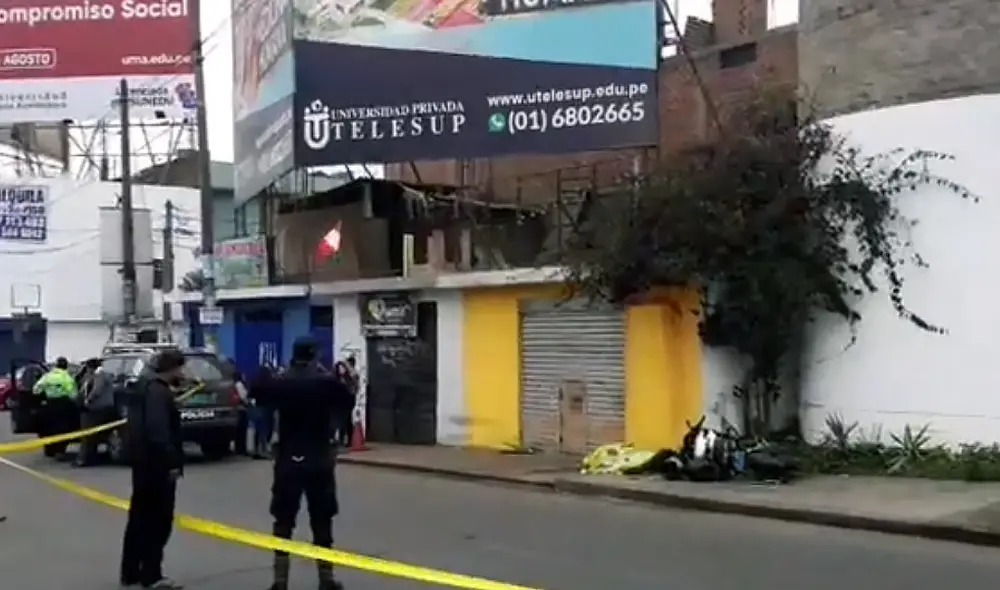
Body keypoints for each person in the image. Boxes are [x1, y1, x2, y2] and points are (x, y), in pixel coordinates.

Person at [252, 337, 354, 590]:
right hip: (319, 458)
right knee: (322, 520)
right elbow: (348, 401)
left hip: (288, 459)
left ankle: (280, 581)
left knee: (283, 520)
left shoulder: (281, 382)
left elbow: (255, 393)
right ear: (314, 355)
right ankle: (326, 579)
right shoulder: (326, 383)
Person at [119, 348, 186, 590]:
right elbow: (158, 432)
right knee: (158, 521)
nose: (183, 373)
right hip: (157, 466)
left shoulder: (142, 387)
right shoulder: (159, 393)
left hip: (141, 463)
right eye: (181, 368)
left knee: (139, 518)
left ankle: (131, 571)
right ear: (173, 368)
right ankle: (152, 574)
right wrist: (172, 462)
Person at [32, 357, 79, 459]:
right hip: (63, 405)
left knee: (49, 428)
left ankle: (49, 449)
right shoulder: (67, 378)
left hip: (50, 405)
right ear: (66, 366)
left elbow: (36, 389)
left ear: (56, 366)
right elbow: (73, 394)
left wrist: (44, 394)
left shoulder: (47, 376)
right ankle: (60, 451)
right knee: (62, 429)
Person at [75, 358, 117, 467]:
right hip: (100, 408)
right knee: (94, 435)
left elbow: (97, 389)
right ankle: (90, 457)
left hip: (97, 408)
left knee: (87, 434)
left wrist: (88, 399)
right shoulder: (94, 375)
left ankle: (84, 459)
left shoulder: (100, 375)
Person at [332, 358, 358, 447]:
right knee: (340, 420)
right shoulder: (339, 377)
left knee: (346, 420)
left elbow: (353, 388)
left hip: (347, 400)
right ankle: (341, 439)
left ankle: (346, 440)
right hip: (341, 401)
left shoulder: (351, 376)